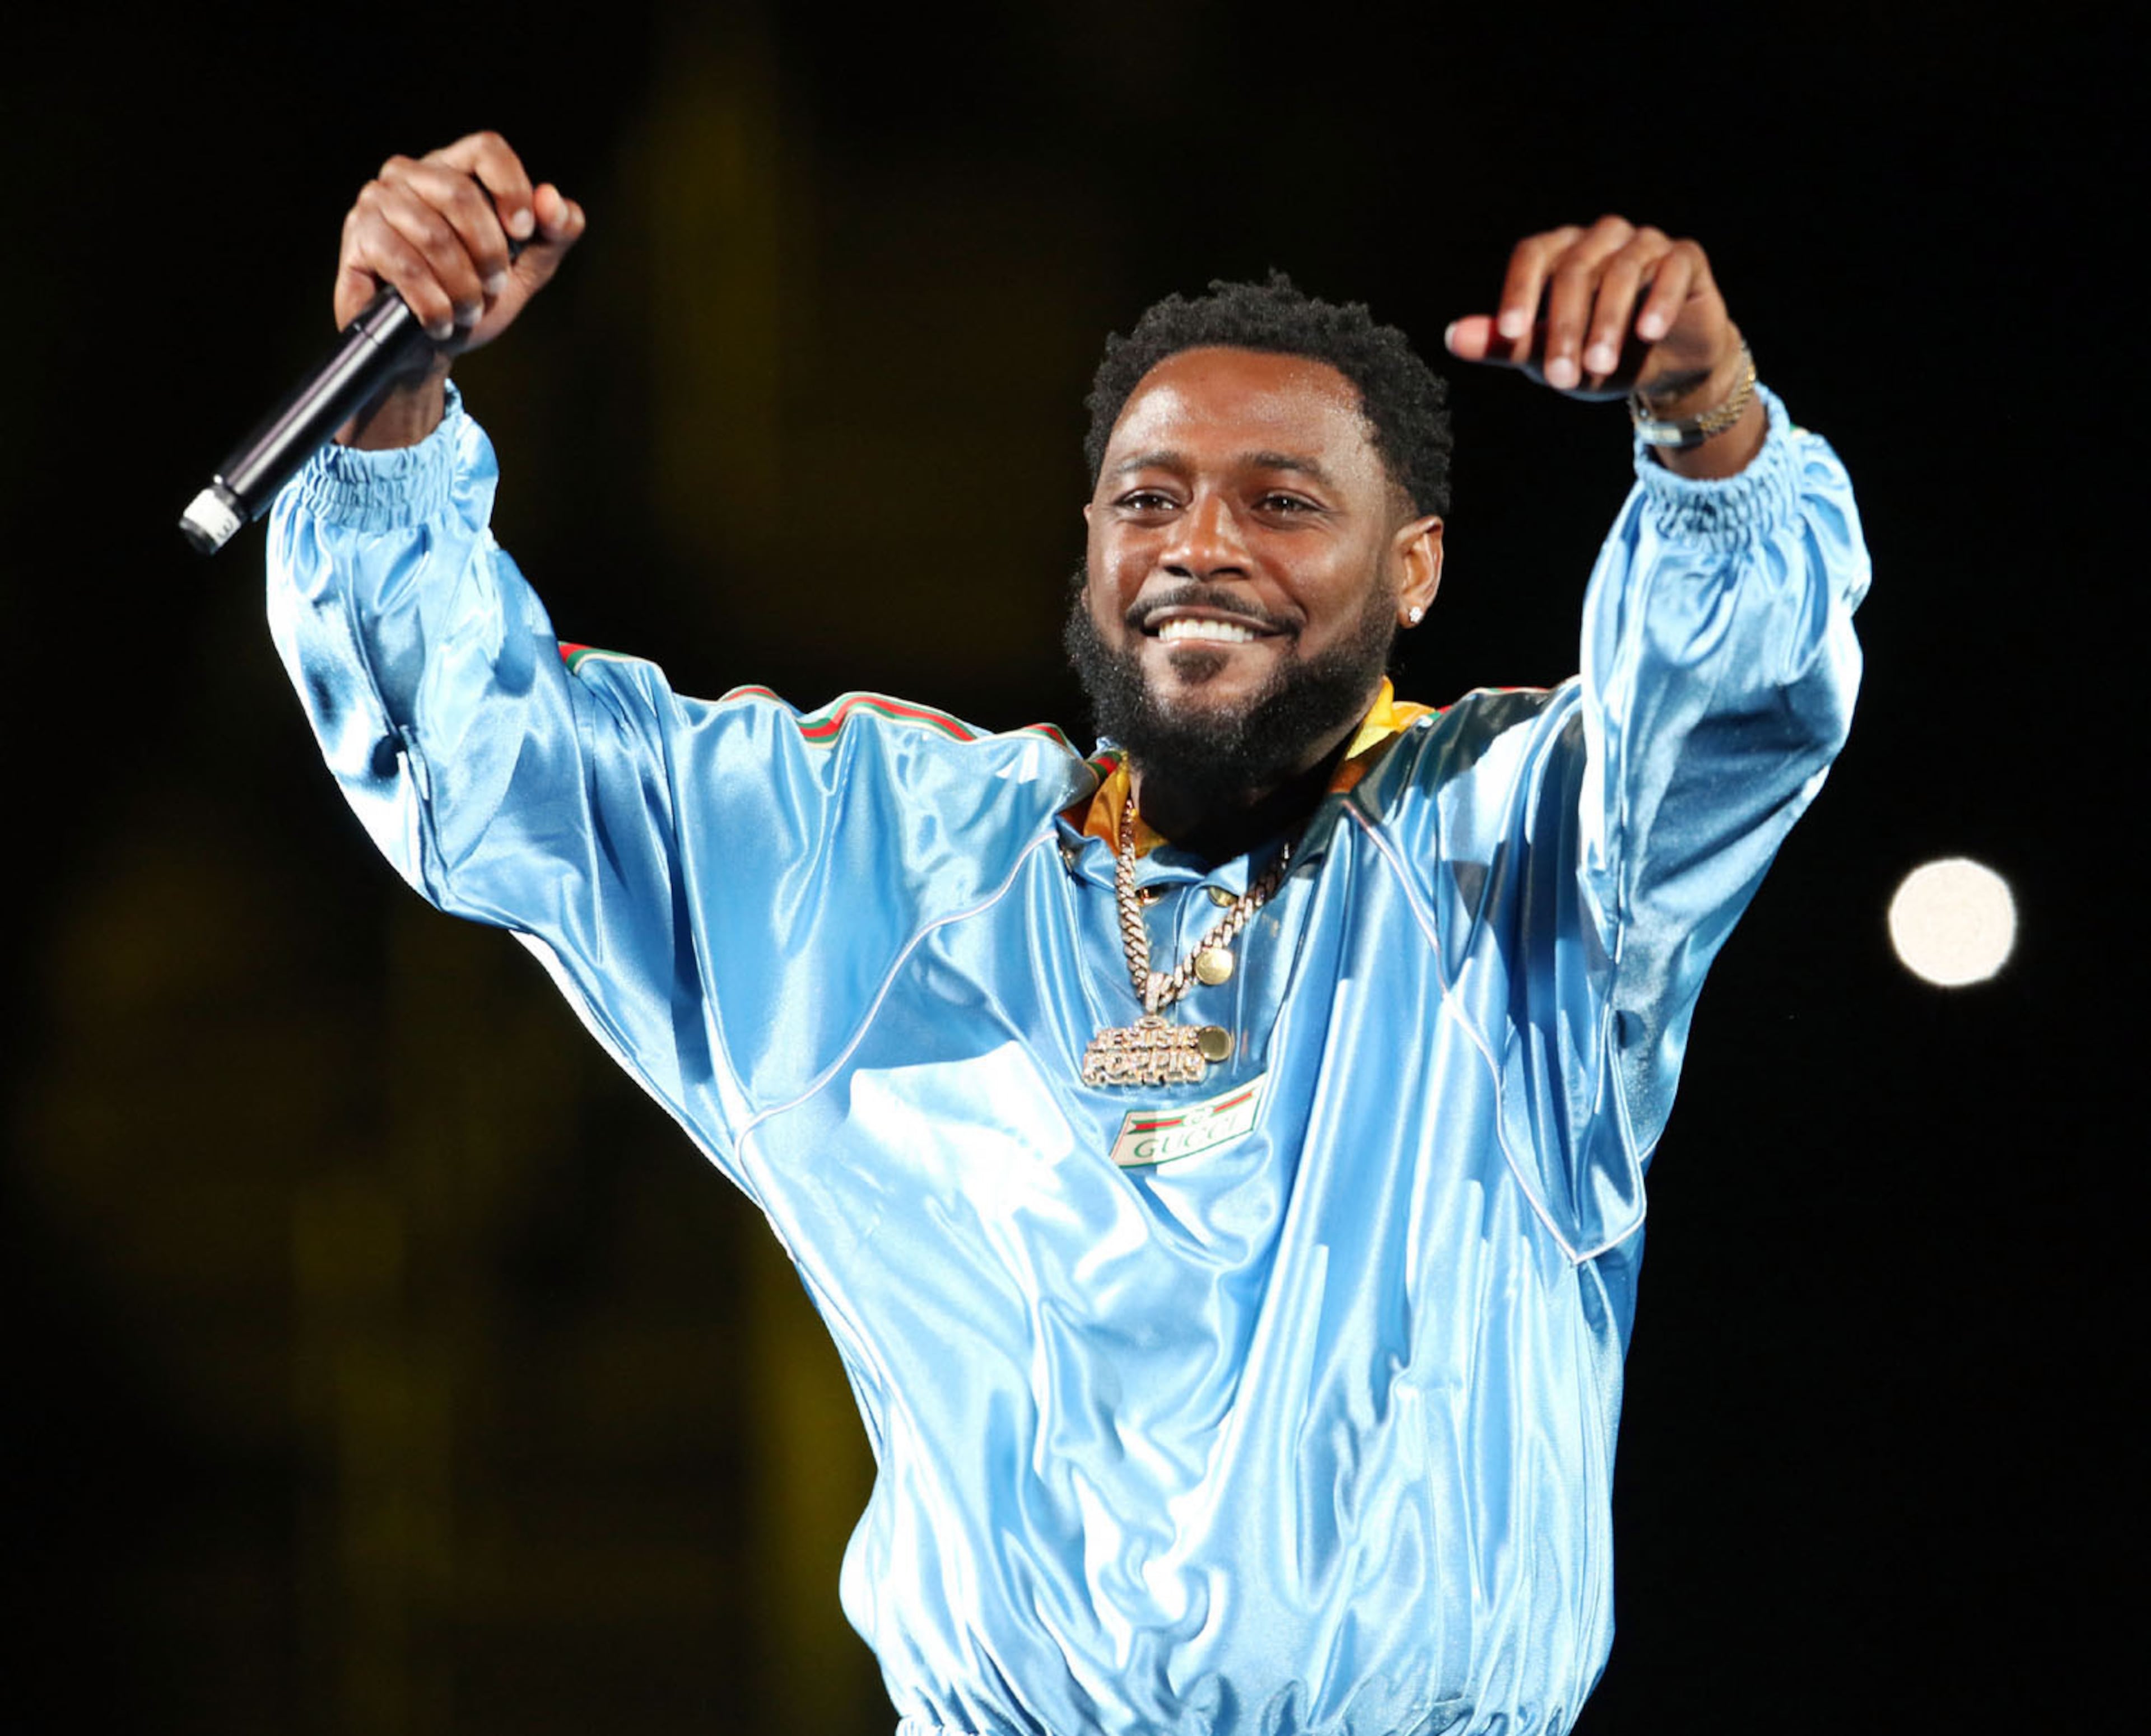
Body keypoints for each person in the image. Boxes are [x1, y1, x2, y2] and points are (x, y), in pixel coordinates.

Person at [269, 132, 1866, 1735]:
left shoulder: (1517, 860)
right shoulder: (872, 871)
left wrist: (1704, 421)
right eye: (1148, 498)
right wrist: (394, 406)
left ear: (1415, 568)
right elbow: (486, 762)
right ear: (1092, 544)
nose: (1200, 544)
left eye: (1282, 501)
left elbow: (1737, 705)